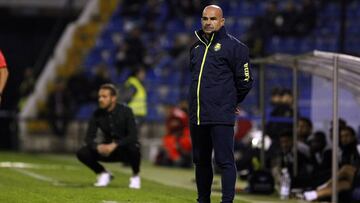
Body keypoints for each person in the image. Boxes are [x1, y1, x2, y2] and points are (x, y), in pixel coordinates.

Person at [188, 5, 253, 203]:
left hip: (221, 115)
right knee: (201, 161)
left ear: (222, 21)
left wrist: (232, 101)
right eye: (205, 18)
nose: (208, 22)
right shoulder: (196, 48)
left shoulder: (236, 48)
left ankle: (226, 201)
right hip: (198, 114)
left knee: (224, 161)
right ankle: (203, 200)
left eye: (213, 19)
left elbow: (246, 81)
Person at [76, 83, 141, 188]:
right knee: (82, 152)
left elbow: (133, 136)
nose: (100, 99)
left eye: (104, 97)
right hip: (107, 151)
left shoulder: (126, 111)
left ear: (113, 98)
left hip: (124, 151)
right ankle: (103, 173)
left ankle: (135, 176)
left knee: (135, 147)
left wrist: (115, 144)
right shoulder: (97, 113)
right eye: (99, 96)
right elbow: (88, 138)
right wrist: (97, 147)